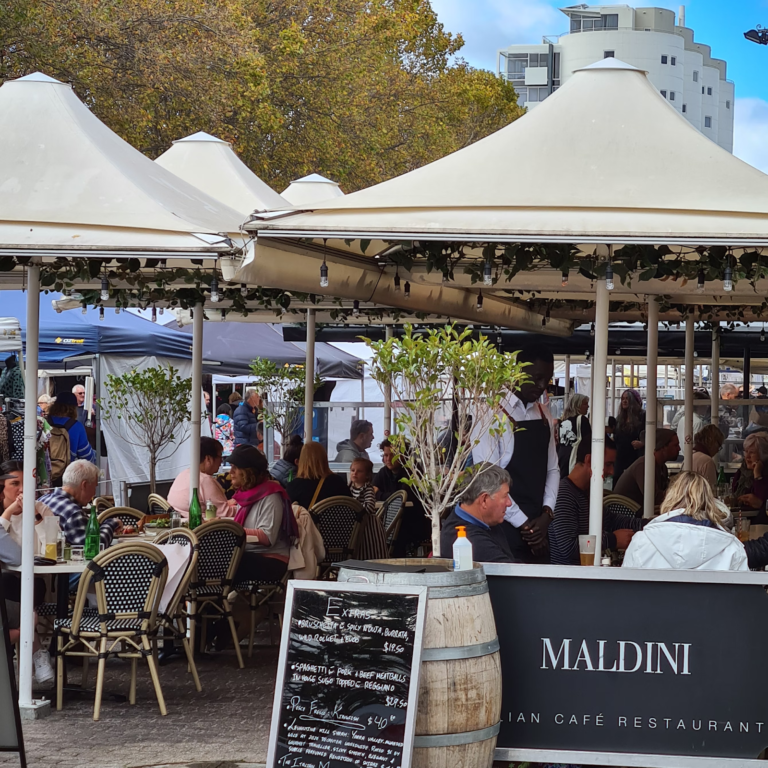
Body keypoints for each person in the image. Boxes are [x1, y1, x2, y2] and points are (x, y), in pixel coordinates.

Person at [471, 346, 558, 563]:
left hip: (540, 526)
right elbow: (489, 481)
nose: (542, 386)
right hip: (506, 528)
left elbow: (553, 469)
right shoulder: (490, 415)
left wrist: (547, 515)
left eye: (546, 379)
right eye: (537, 378)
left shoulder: (544, 414)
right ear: (517, 372)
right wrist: (525, 526)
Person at [623, 471, 748, 571]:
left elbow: (627, 594)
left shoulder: (641, 542)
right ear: (710, 502)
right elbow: (742, 599)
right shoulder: (731, 547)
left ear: (669, 497)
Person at [0, 461, 55, 683]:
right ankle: (35, 647)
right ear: (2, 486)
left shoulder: (42, 510)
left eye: (27, 483)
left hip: (34, 580)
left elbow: (51, 551)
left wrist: (35, 517)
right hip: (6, 582)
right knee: (10, 588)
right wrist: (8, 513)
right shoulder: (3, 513)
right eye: (15, 483)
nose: (22, 489)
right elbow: (12, 555)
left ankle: (24, 643)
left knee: (20, 588)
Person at [548, 438, 642, 565]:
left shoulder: (587, 493)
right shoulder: (564, 494)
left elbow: (613, 521)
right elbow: (568, 548)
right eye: (608, 464)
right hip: (568, 578)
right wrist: (613, 540)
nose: (612, 471)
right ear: (589, 460)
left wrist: (649, 524)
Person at [227, 445, 296, 584]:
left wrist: (231, 530)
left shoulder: (271, 496)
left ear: (248, 472)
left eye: (235, 467)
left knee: (221, 561)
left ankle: (212, 603)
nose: (230, 472)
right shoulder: (246, 495)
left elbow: (267, 537)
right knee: (214, 558)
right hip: (251, 554)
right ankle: (211, 602)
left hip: (273, 560)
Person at [440, 464, 516, 563]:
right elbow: (510, 573)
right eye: (505, 496)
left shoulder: (485, 520)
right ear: (484, 500)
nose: (509, 503)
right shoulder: (468, 541)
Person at [39, 460, 121, 548]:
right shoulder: (73, 513)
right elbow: (93, 547)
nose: (94, 493)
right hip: (59, 560)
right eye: (94, 487)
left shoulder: (43, 499)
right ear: (84, 485)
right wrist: (111, 523)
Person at [613, 428, 680, 508]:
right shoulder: (644, 466)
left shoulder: (662, 467)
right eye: (675, 445)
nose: (679, 448)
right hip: (626, 515)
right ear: (663, 447)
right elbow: (655, 498)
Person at [167, 437, 231, 518]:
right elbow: (225, 512)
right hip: (201, 528)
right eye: (220, 456)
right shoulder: (204, 480)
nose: (221, 461)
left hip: (180, 525)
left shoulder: (183, 474)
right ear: (208, 459)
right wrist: (243, 509)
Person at [286, 442, 352, 509]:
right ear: (324, 459)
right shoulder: (338, 482)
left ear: (302, 461)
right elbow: (352, 506)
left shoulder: (293, 487)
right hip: (338, 519)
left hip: (308, 519)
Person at [47, 392, 97, 466]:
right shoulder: (77, 426)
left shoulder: (44, 422)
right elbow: (87, 457)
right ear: (74, 408)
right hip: (67, 473)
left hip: (45, 471)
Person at [732, 432, 768, 521]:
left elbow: (761, 500)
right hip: (741, 517)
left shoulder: (765, 472)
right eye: (746, 451)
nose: (747, 456)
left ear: (762, 455)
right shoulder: (743, 469)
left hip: (759, 521)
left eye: (751, 452)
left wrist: (757, 475)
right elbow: (733, 491)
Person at [613, 389, 645, 486]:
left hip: (635, 456)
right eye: (623, 399)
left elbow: (650, 435)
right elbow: (616, 437)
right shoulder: (619, 418)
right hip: (620, 457)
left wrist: (643, 443)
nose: (624, 401)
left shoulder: (642, 416)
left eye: (627, 399)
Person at [557, 394, 591, 478]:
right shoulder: (582, 420)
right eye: (585, 404)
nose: (588, 406)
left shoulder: (563, 421)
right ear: (577, 405)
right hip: (575, 458)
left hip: (562, 457)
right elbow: (588, 441)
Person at [691, 424, 725, 489]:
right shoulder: (707, 461)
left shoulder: (691, 456)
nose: (718, 450)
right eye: (719, 445)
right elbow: (711, 490)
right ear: (713, 442)